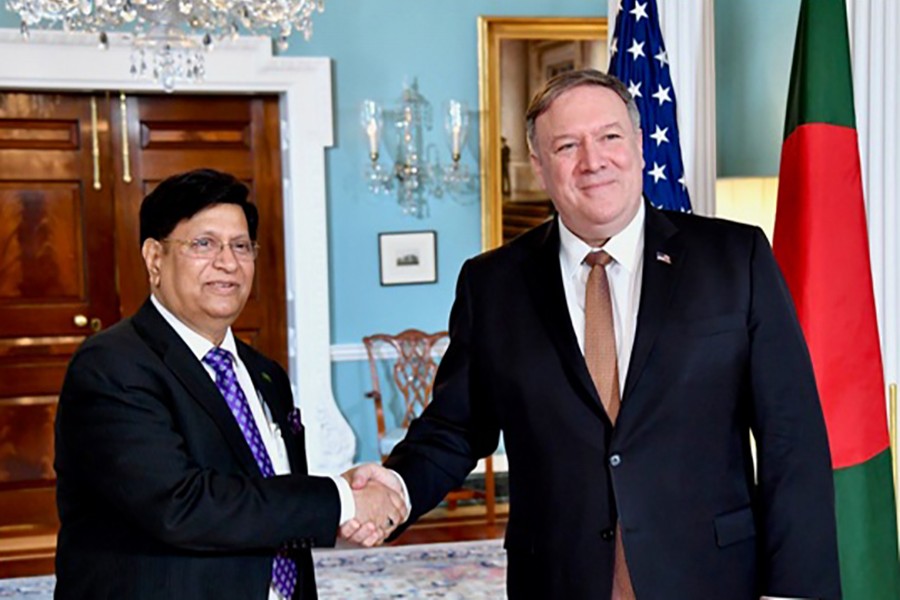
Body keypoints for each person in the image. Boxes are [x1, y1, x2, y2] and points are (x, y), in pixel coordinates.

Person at [348, 70, 841, 599]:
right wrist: (395, 486)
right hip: (559, 579)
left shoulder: (735, 260)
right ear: (539, 165)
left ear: (637, 144)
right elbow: (455, 427)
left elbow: (791, 438)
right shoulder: (494, 284)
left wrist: (795, 590)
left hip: (711, 576)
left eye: (609, 137)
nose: (593, 161)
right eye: (567, 145)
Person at [54, 168, 405, 600]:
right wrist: (339, 500)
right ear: (153, 258)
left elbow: (266, 496)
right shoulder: (111, 367)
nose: (228, 262)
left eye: (241, 246)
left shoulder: (265, 375)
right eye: (204, 244)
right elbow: (182, 505)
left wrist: (341, 504)